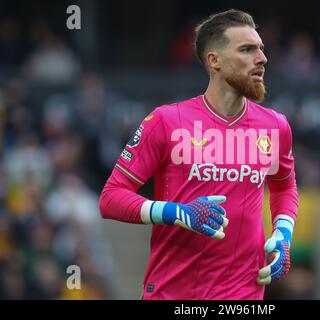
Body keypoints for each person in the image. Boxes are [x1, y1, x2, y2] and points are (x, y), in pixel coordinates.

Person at [99, 9, 298, 300]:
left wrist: (283, 233)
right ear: (214, 60)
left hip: (242, 295)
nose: (262, 58)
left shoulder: (275, 126)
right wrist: (176, 212)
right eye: (247, 49)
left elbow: (284, 185)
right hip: (172, 292)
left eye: (261, 49)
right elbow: (111, 198)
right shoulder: (166, 121)